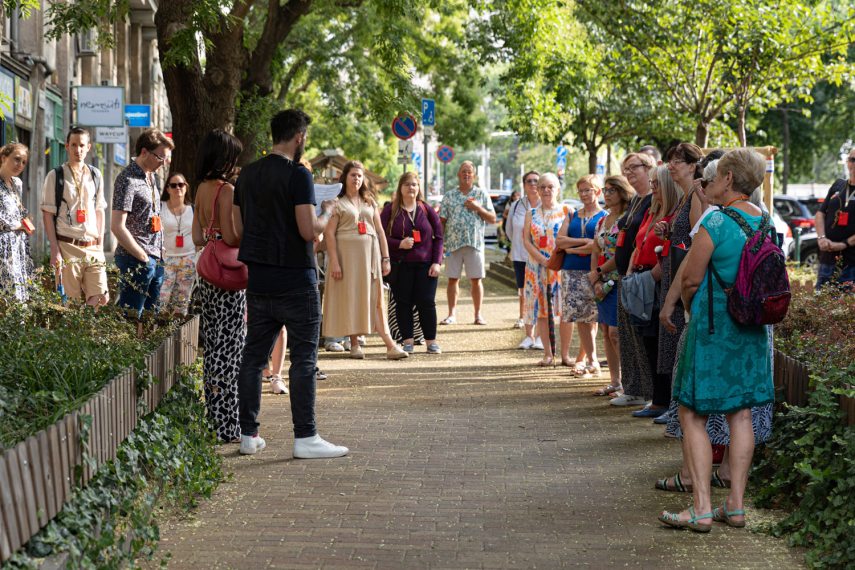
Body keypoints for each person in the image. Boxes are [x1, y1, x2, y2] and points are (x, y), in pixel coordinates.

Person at [235, 109, 348, 458]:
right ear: (299, 137)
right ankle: (305, 437)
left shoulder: (248, 174)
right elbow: (307, 229)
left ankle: (249, 435)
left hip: (259, 281)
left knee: (253, 358)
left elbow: (238, 231)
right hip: (297, 280)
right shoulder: (299, 175)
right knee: (303, 359)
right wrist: (328, 209)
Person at [191, 129, 245, 443]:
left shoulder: (200, 189)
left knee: (213, 347)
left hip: (208, 272)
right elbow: (233, 236)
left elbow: (199, 237)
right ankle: (229, 425)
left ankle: (214, 421)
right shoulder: (226, 190)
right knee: (232, 348)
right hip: (228, 274)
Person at [322, 161, 408, 360]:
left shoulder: (370, 202)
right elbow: (329, 234)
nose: (357, 179)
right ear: (345, 177)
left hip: (370, 256)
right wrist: (334, 261)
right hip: (346, 257)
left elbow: (380, 231)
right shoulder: (337, 202)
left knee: (376, 298)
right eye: (353, 175)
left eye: (360, 176)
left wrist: (386, 258)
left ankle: (389, 344)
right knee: (351, 297)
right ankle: (354, 343)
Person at [41, 127, 108, 307]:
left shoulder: (95, 175)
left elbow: (100, 210)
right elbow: (48, 214)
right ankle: (79, 333)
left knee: (101, 297)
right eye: (74, 145)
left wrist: (100, 244)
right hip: (67, 246)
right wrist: (55, 249)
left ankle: (85, 330)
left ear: (89, 147)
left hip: (93, 247)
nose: (78, 149)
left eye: (82, 145)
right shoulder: (55, 176)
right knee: (70, 305)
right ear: (67, 147)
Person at [608, 152, 656, 407]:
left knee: (640, 335)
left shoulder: (653, 200)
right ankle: (632, 387)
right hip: (626, 275)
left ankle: (649, 392)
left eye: (633, 167)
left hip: (640, 275)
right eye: (625, 168)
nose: (628, 172)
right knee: (626, 335)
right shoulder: (636, 200)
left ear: (648, 168)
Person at [111, 128, 174, 318]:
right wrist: (142, 256)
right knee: (131, 319)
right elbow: (116, 225)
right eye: (160, 157)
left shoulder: (151, 177)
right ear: (144, 152)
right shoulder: (127, 179)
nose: (163, 163)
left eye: (166, 159)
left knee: (149, 319)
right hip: (136, 259)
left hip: (155, 257)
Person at [381, 171, 444, 354]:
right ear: (400, 188)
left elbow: (438, 237)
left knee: (426, 302)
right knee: (403, 303)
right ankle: (407, 341)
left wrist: (437, 262)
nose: (411, 187)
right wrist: (398, 243)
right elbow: (381, 236)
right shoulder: (391, 210)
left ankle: (431, 341)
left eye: (414, 184)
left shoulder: (426, 209)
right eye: (407, 184)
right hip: (401, 264)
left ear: (419, 188)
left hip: (426, 265)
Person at [589, 175, 635, 395]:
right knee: (606, 331)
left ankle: (629, 382)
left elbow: (621, 253)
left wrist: (600, 272)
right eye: (605, 190)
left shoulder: (626, 219)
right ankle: (615, 380)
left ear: (622, 192)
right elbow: (596, 249)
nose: (606, 194)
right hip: (602, 281)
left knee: (618, 332)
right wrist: (595, 277)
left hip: (618, 279)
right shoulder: (602, 220)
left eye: (611, 190)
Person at [556, 175, 605, 373]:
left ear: (597, 191)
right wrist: (583, 245)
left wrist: (575, 245)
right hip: (571, 271)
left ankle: (586, 359)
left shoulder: (605, 216)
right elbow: (560, 242)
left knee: (593, 316)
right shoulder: (572, 215)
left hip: (593, 271)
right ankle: (589, 359)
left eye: (588, 190)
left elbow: (599, 245)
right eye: (581, 190)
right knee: (580, 317)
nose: (584, 194)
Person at [439, 161, 497, 325]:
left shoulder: (481, 194)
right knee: (452, 279)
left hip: (474, 243)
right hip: (453, 243)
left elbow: (493, 219)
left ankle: (478, 315)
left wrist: (478, 208)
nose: (466, 174)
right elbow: (441, 220)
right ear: (458, 174)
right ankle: (451, 314)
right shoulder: (449, 195)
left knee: (476, 279)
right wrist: (440, 243)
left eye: (469, 172)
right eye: (463, 171)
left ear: (474, 176)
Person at [522, 173, 569, 366]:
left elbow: (569, 239)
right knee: (541, 310)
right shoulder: (530, 214)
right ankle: (548, 354)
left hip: (561, 266)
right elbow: (526, 240)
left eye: (550, 186)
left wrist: (555, 258)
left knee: (565, 310)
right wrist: (542, 258)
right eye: (542, 187)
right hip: (536, 267)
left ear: (558, 189)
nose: (546, 190)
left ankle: (565, 355)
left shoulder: (568, 211)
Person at [505, 171, 543, 349]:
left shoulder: (547, 204)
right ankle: (529, 334)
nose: (533, 184)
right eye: (529, 181)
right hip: (521, 255)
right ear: (524, 184)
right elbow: (509, 230)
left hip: (542, 258)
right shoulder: (516, 205)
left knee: (542, 295)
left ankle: (542, 336)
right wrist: (521, 246)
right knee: (525, 293)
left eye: (536, 180)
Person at [815, 147, 855, 290]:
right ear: (847, 162)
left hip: (851, 263)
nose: (854, 164)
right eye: (852, 159)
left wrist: (844, 244)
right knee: (820, 306)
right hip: (827, 258)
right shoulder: (838, 184)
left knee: (845, 308)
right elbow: (820, 213)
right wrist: (821, 238)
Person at [158, 172, 195, 315]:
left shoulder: (193, 209)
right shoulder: (160, 207)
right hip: (165, 259)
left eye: (181, 184)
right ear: (167, 189)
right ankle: (160, 334)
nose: (178, 188)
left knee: (181, 302)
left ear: (186, 187)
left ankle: (179, 335)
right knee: (162, 299)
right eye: (173, 185)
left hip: (188, 259)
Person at [0, 143, 33, 301]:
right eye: (16, 159)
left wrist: (25, 221)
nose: (20, 165)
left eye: (24, 162)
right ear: (4, 157)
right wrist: (17, 225)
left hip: (17, 246)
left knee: (19, 296)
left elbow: (16, 212)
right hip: (2, 247)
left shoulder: (17, 184)